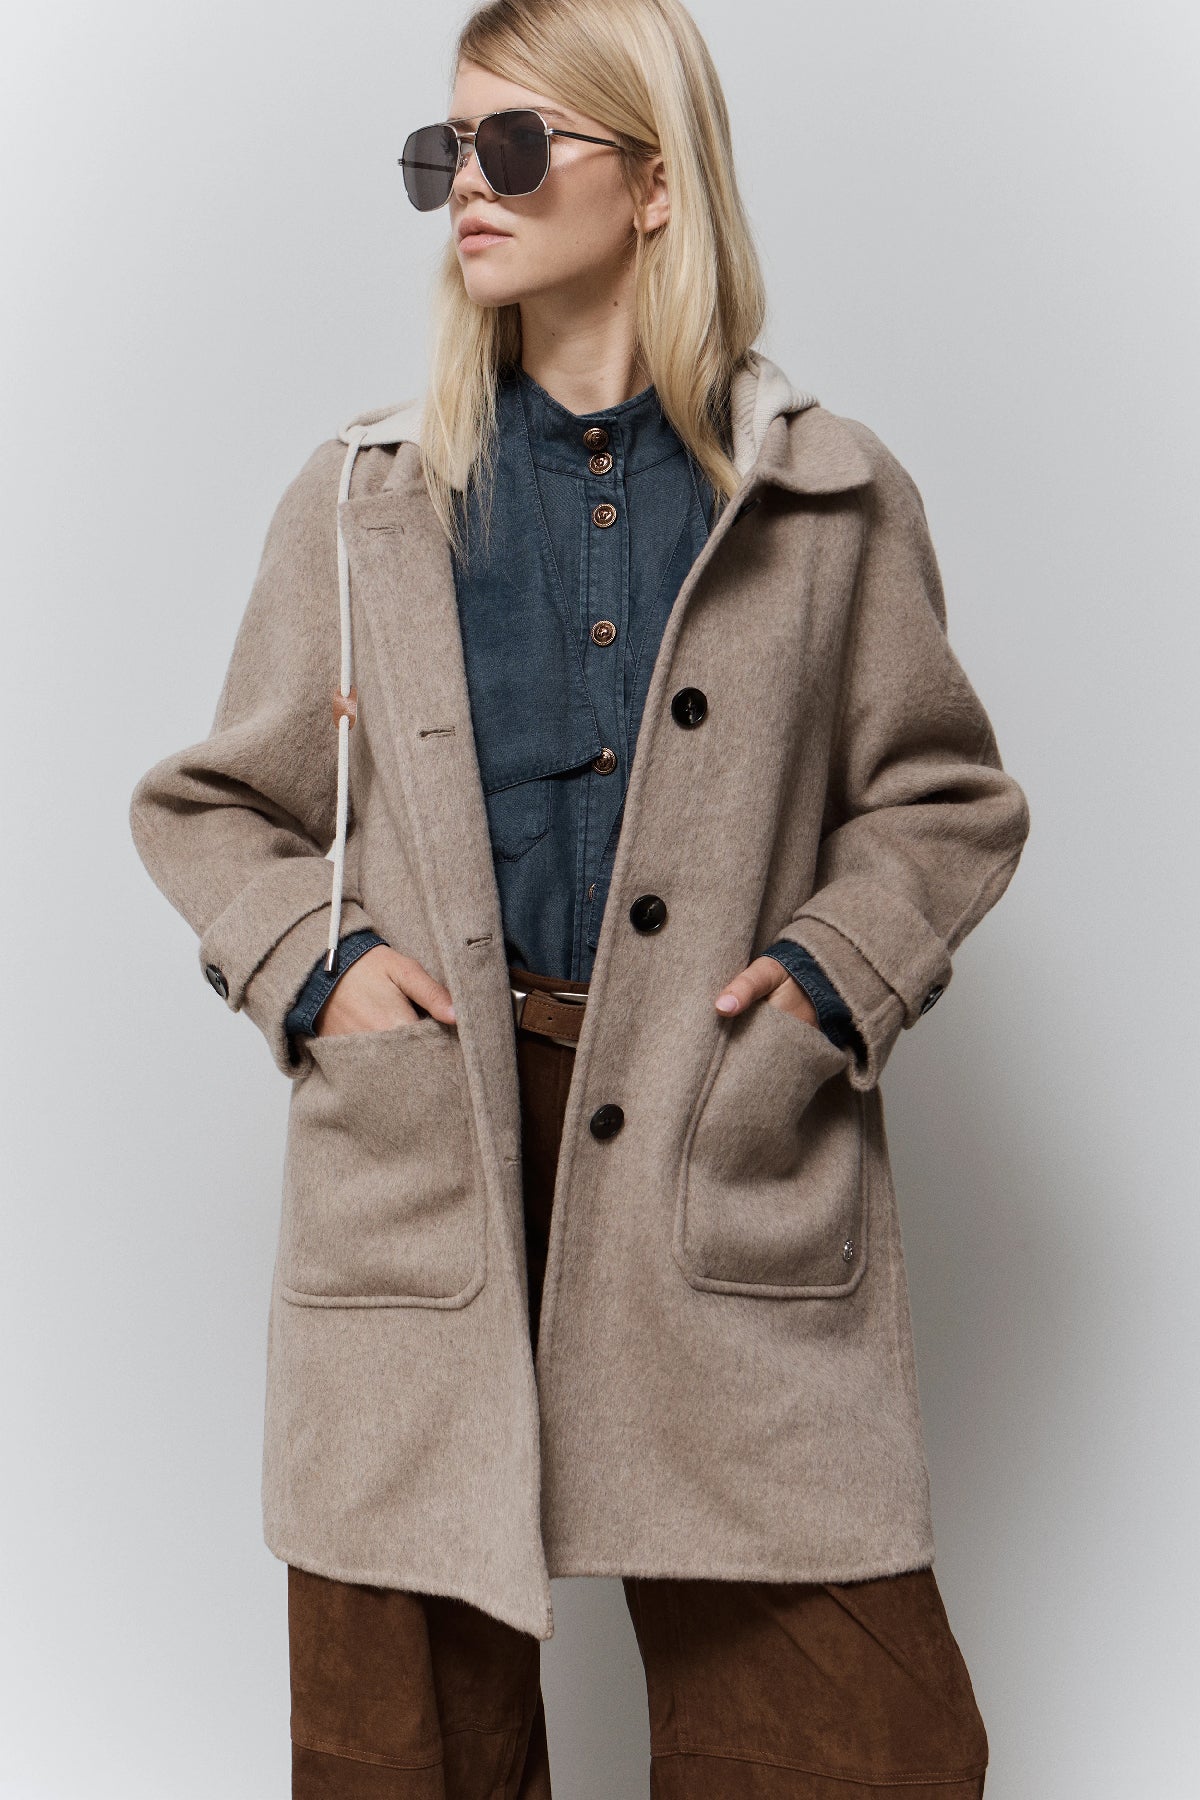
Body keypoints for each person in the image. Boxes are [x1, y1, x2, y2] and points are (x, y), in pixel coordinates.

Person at [129, 0, 1031, 1793]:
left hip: (718, 1142)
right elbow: (215, 805)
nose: (469, 184)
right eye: (445, 151)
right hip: (431, 1151)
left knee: (860, 1747)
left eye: (517, 144)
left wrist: (822, 987)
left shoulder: (827, 498)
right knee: (403, 1754)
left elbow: (944, 801)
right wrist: (324, 972)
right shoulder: (366, 501)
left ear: (656, 183)